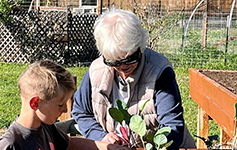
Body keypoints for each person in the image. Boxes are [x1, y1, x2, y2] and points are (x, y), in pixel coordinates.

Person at [71, 8, 196, 149]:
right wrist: (101, 137)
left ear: (140, 47)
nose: (123, 67)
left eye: (129, 59)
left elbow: (172, 126)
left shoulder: (159, 71)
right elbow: (81, 112)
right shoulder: (96, 70)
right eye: (114, 62)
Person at [0, 60, 129, 150]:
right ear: (35, 103)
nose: (65, 110)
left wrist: (109, 148)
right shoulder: (9, 145)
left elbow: (70, 144)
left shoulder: (46, 127)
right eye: (60, 104)